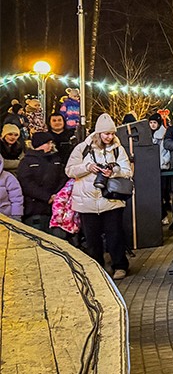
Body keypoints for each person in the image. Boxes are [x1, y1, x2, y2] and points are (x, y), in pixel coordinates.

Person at [65, 113, 133, 280]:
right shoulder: (82, 148)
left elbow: (127, 171)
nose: (110, 137)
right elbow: (69, 170)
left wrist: (114, 171)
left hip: (110, 199)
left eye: (112, 133)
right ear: (98, 133)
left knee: (115, 234)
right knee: (92, 238)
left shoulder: (118, 149)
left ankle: (119, 265)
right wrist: (88, 167)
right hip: (86, 201)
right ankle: (97, 266)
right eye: (106, 133)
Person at [16, 131, 66, 232]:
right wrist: (47, 197)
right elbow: (26, 184)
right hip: (35, 209)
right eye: (48, 143)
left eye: (51, 143)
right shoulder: (27, 161)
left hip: (56, 208)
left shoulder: (56, 159)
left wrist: (57, 195)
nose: (50, 146)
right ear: (40, 144)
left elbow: (63, 178)